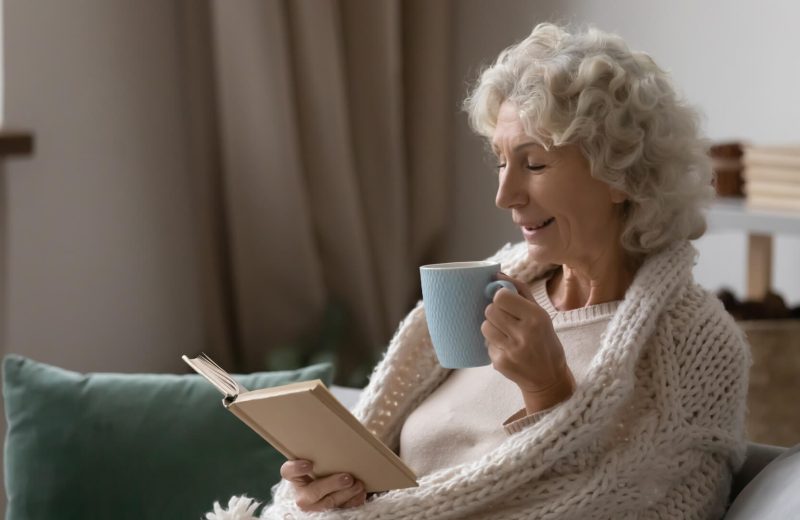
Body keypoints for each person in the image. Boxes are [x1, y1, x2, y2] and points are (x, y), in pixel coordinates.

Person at [209, 23, 750, 520]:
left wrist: (547, 392)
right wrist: (332, 498)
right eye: (500, 160)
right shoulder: (497, 291)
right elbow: (407, 481)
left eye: (534, 164)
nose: (504, 195)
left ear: (622, 176)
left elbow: (640, 506)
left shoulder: (693, 346)